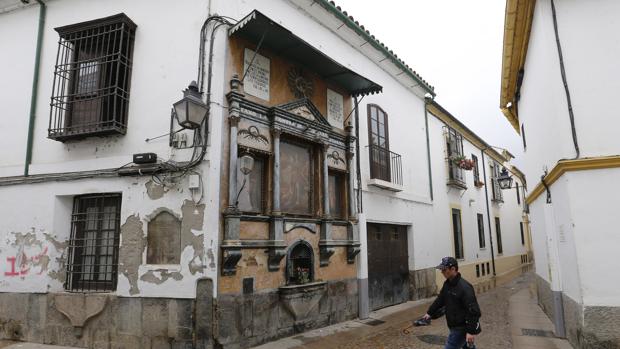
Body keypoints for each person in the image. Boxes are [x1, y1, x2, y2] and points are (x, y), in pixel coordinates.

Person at [422, 257, 481, 349]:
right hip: (453, 325)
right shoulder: (447, 284)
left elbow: (473, 311)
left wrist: (470, 332)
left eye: (444, 270)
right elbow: (440, 300)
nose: (442, 272)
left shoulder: (465, 288)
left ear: (453, 269)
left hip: (462, 328)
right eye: (441, 269)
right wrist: (429, 313)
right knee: (467, 347)